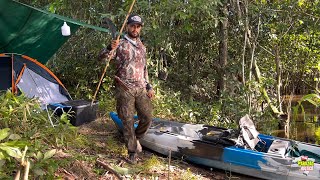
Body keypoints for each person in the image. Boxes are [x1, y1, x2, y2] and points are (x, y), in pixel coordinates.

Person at [99, 14, 155, 164]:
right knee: (127, 120)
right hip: (124, 88)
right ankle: (132, 153)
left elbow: (144, 69)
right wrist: (109, 48)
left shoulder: (142, 46)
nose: (135, 29)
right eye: (132, 26)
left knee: (147, 117)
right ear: (127, 26)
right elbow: (102, 58)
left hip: (141, 88)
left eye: (138, 26)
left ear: (140, 28)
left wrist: (149, 86)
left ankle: (135, 139)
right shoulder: (120, 43)